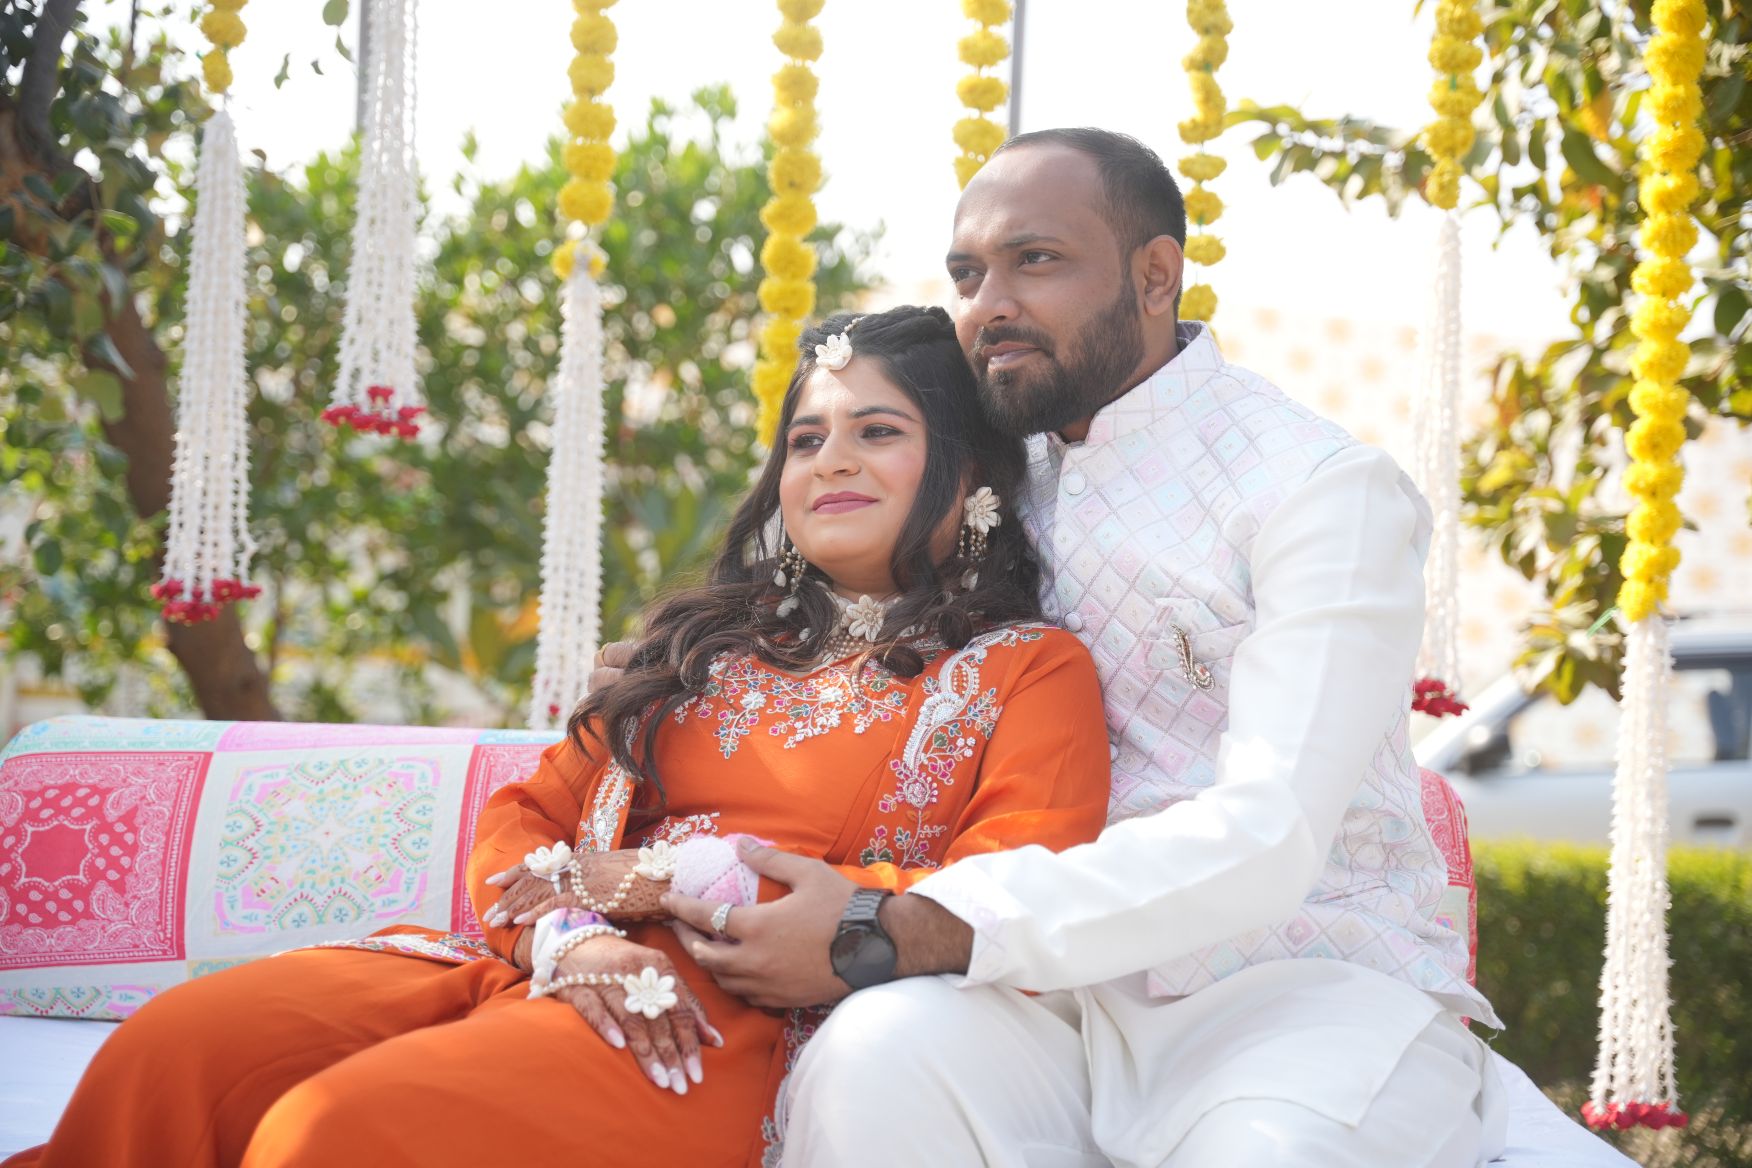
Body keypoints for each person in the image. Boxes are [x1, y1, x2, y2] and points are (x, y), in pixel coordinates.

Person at [4, 305, 1112, 1168]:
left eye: (879, 432)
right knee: (170, 1054)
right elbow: (526, 819)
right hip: (545, 959)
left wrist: (667, 880)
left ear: (969, 476)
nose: (831, 460)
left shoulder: (1024, 670)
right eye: (807, 437)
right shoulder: (703, 644)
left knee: (335, 1132)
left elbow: (1002, 894)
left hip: (715, 1021)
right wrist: (573, 935)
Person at [651, 129, 1510, 1167]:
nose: (989, 304)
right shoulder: (998, 470)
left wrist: (897, 924)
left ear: (1156, 275)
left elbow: (1271, 831)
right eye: (967, 274)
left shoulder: (1316, 489)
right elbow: (854, 590)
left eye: (1036, 260)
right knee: (873, 1058)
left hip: (1300, 988)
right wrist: (672, 667)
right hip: (1046, 996)